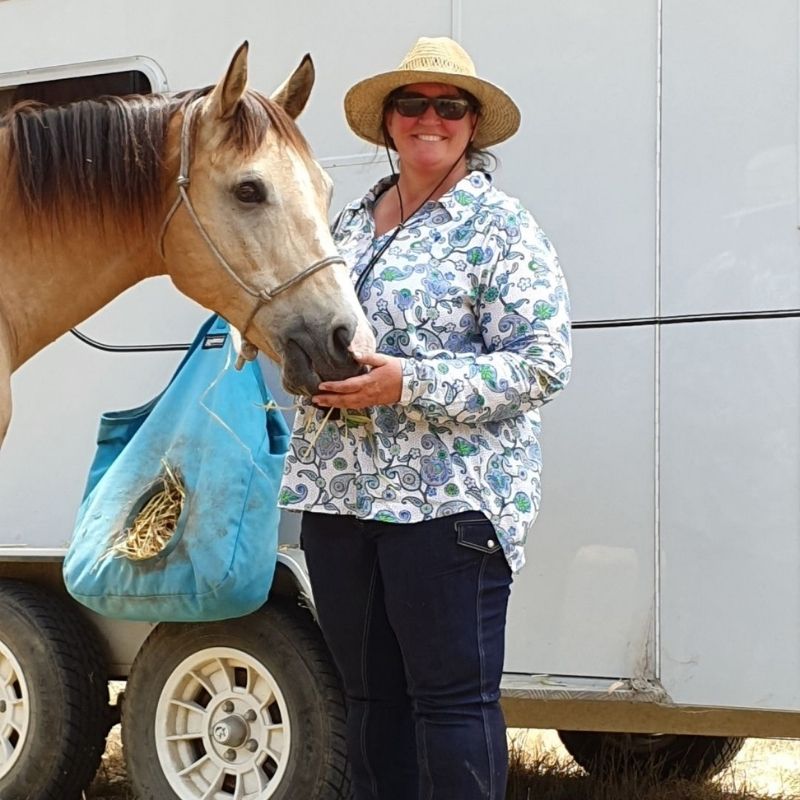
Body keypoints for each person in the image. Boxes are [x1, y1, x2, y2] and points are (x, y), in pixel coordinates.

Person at [278, 36, 571, 800]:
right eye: (412, 104)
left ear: (473, 125)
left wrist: (408, 385)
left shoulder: (501, 228)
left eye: (449, 106)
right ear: (388, 120)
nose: (429, 118)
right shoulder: (346, 222)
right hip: (340, 496)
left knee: (449, 706)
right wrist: (311, 374)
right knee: (368, 703)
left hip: (450, 503)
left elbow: (541, 362)